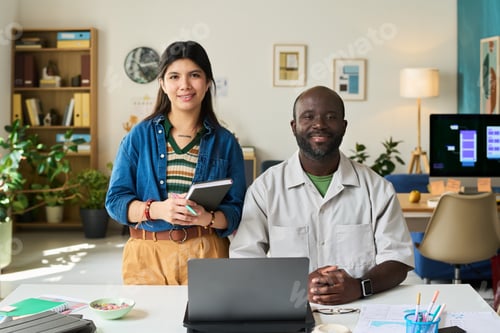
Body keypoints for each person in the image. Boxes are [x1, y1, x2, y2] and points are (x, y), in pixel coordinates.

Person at [229, 86, 414, 305]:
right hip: (290, 307)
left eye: (331, 117)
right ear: (294, 126)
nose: (319, 125)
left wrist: (359, 286)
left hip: (362, 308)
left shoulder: (377, 189)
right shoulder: (265, 189)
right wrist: (294, 284)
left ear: (344, 126)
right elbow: (245, 259)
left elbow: (398, 260)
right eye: (308, 117)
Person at [106, 40, 246, 285]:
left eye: (194, 75)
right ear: (162, 83)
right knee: (149, 324)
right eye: (174, 77)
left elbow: (236, 210)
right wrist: (157, 210)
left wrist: (207, 218)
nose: (184, 85)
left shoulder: (226, 143)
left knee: (206, 324)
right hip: (146, 256)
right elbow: (115, 202)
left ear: (207, 82)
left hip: (207, 254)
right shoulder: (138, 137)